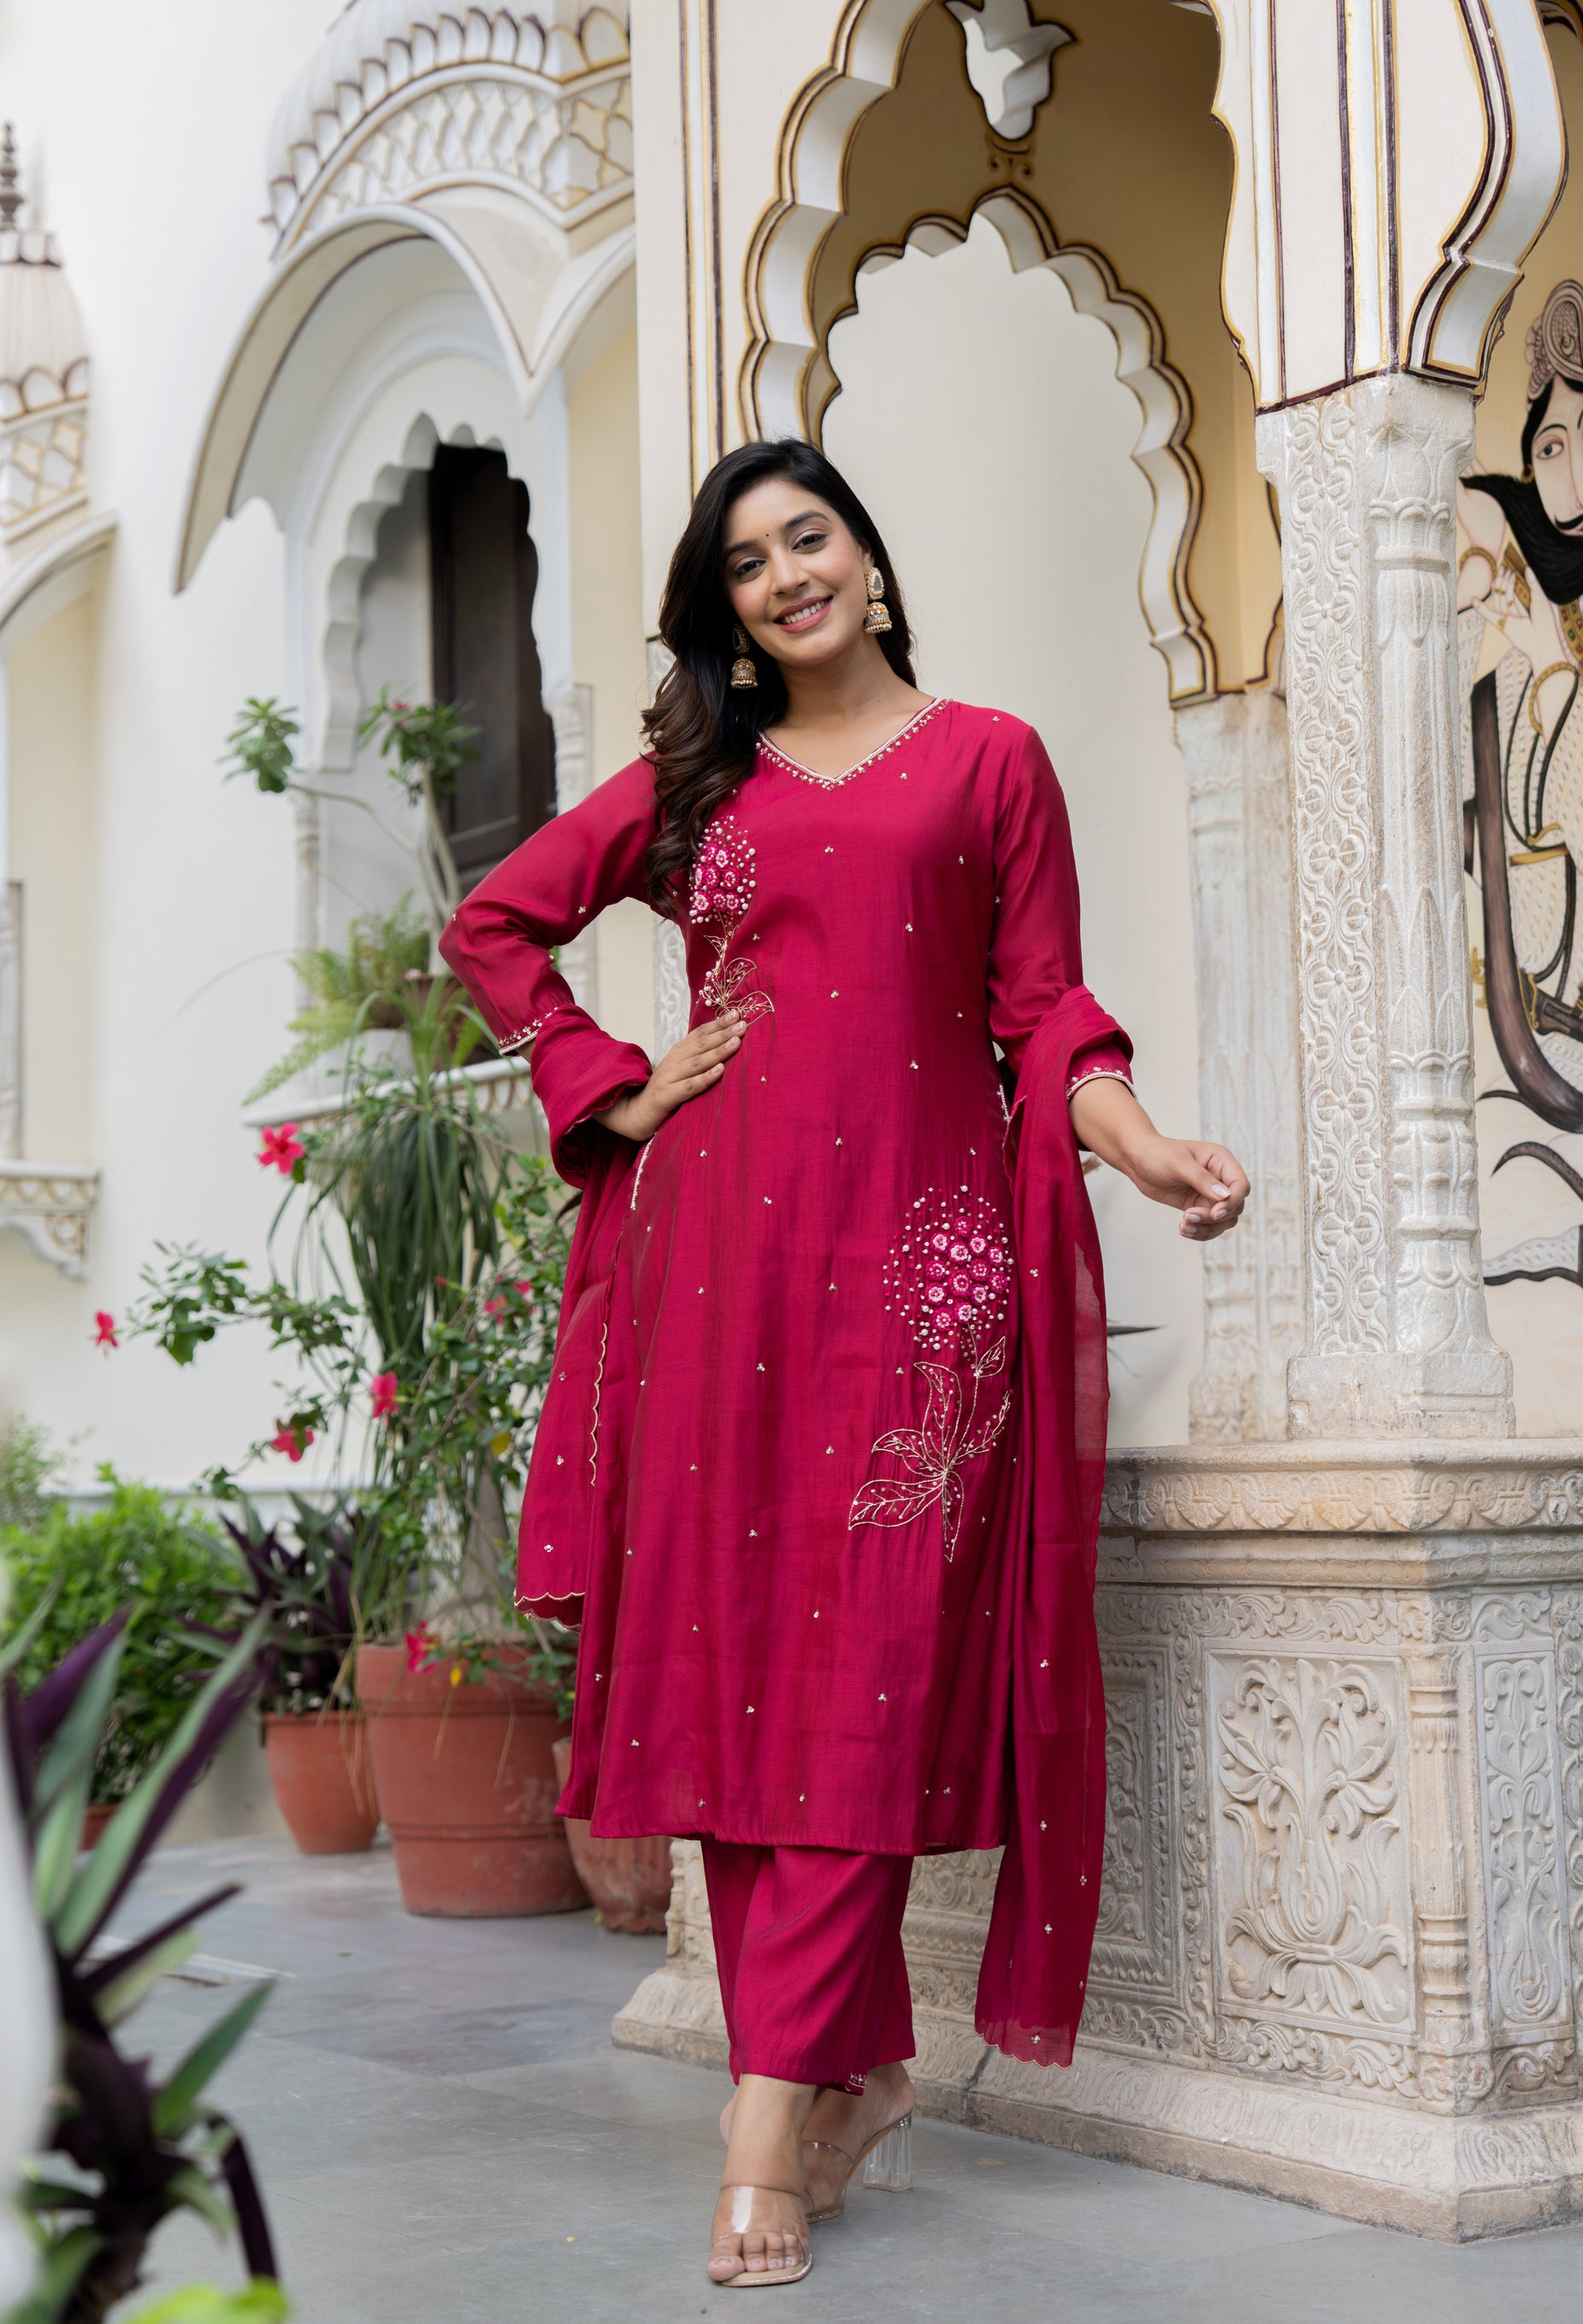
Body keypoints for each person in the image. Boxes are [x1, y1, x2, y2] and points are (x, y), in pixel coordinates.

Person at [439, 439, 1249, 2288]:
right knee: (742, 1687)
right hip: (713, 1271)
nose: (784, 574)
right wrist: (611, 1085)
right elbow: (492, 926)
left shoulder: (988, 760)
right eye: (745, 561)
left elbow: (1042, 1006)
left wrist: (1141, 1146)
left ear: (867, 560)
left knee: (862, 1674)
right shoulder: (694, 788)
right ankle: (847, 2069)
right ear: (724, 609)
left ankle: (759, 2124)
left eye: (808, 537)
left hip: (920, 1275)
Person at [1458, 278, 1583, 1131]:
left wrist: (1547, 658)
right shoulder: (1515, 656)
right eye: (1549, 447)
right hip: (1544, 1034)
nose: (1575, 480)